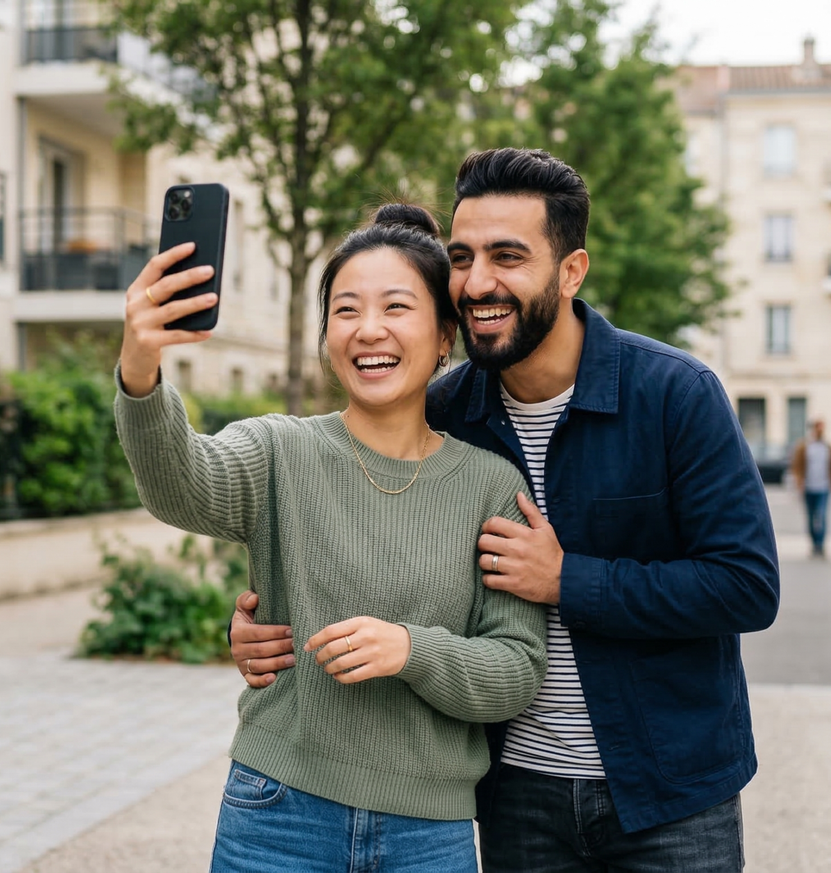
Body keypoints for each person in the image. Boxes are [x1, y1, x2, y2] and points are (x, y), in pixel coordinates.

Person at [231, 148, 780, 872]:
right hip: (514, 792)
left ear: (571, 270)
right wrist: (266, 615)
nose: (478, 282)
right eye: (462, 256)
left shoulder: (675, 394)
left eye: (508, 256)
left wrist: (568, 578)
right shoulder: (444, 410)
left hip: (671, 791)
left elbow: (746, 583)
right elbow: (352, 519)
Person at [115, 204, 547, 873]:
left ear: (443, 335)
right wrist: (142, 369)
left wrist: (410, 648)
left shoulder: (490, 485)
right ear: (325, 336)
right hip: (278, 813)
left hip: (428, 833)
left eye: (396, 306)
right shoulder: (279, 449)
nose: (367, 329)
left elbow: (515, 671)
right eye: (345, 310)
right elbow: (180, 485)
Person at [790, 419, 831, 559]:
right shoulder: (804, 446)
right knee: (811, 517)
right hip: (808, 488)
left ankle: (820, 544)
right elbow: (797, 467)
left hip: (823, 488)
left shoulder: (828, 447)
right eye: (818, 428)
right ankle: (813, 543)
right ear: (813, 430)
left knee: (822, 515)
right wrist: (798, 484)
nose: (820, 431)